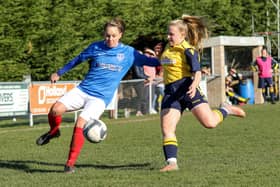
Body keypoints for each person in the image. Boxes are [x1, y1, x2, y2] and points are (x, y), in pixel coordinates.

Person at [35, 18, 160, 173]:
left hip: (100, 99)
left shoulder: (129, 53)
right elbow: (78, 59)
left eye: (114, 35)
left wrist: (170, 62)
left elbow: (152, 62)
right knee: (55, 109)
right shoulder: (96, 47)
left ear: (120, 34)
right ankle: (54, 132)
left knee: (80, 123)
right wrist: (59, 73)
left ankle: (69, 164)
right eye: (107, 35)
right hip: (83, 90)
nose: (110, 39)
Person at [159, 15, 246, 172]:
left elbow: (197, 72)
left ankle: (226, 109)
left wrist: (194, 84)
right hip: (171, 94)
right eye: (168, 33)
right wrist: (156, 78)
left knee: (210, 123)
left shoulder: (188, 50)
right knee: (167, 128)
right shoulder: (167, 48)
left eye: (171, 34)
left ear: (182, 34)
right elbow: (168, 68)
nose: (168, 36)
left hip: (188, 90)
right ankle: (172, 163)